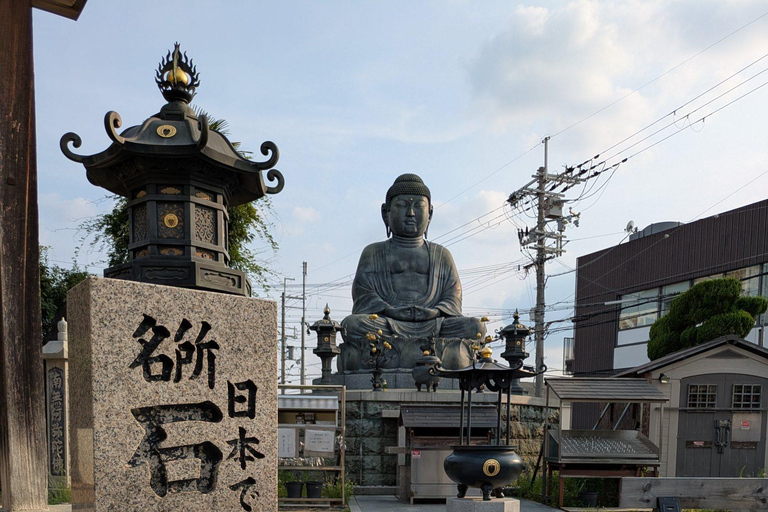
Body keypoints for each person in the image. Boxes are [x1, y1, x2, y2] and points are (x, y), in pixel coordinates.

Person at [339, 174, 485, 371]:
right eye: (401, 206)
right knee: (353, 325)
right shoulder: (373, 252)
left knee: (475, 327)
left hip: (435, 323)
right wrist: (389, 310)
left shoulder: (441, 254)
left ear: (430, 213)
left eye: (418, 206)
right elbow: (363, 293)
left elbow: (453, 295)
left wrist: (436, 311)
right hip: (388, 322)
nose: (410, 213)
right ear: (386, 213)